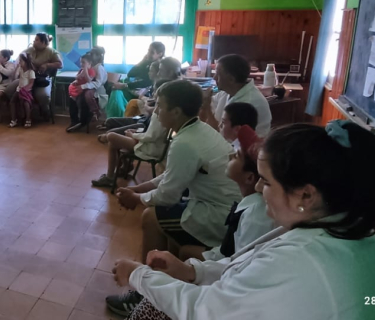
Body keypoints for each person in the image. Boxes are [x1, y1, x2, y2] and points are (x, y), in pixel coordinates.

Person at [111, 121, 375, 320]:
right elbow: (246, 267)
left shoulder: (303, 259)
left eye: (266, 182)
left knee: (155, 308)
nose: (257, 187)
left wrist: (138, 275)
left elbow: (205, 311)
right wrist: (191, 271)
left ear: (306, 195)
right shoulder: (349, 230)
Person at [106, 123, 276, 318]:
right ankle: (152, 289)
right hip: (218, 241)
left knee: (152, 218)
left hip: (216, 224)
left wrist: (136, 197)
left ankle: (143, 294)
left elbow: (237, 270)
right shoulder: (250, 203)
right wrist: (192, 269)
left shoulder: (257, 216)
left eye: (236, 155)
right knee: (180, 252)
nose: (229, 156)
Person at [113, 80, 240, 259]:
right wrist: (139, 189)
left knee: (151, 217)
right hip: (226, 208)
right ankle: (165, 268)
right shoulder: (198, 129)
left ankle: (148, 275)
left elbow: (167, 196)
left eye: (160, 106)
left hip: (221, 216)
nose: (156, 111)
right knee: (165, 215)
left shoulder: (184, 142)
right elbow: (173, 174)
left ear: (176, 112)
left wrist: (136, 198)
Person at [3, 33, 62, 120]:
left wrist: (47, 65)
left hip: (42, 80)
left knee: (43, 96)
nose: (34, 41)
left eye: (37, 40)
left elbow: (60, 64)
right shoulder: (30, 50)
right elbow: (21, 57)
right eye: (34, 39)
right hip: (26, 77)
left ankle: (45, 111)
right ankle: (21, 111)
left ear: (43, 42)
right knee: (8, 90)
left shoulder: (51, 52)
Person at [208, 54, 271, 136]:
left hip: (242, 143)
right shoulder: (227, 91)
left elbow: (221, 136)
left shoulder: (248, 103)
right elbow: (210, 102)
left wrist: (206, 108)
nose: (214, 78)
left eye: (218, 74)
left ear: (231, 79)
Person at [67, 47, 107, 132]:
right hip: (86, 88)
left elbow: (97, 84)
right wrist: (77, 82)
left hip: (97, 90)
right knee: (72, 98)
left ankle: (83, 121)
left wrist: (83, 86)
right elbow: (80, 77)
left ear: (98, 56)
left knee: (84, 98)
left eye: (92, 54)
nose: (90, 55)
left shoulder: (99, 68)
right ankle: (74, 121)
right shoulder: (88, 66)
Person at [9, 52, 36, 128]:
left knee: (26, 103)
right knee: (12, 101)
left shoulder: (31, 72)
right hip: (19, 89)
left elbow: (31, 83)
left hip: (27, 91)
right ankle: (14, 120)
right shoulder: (20, 69)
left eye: (21, 61)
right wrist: (16, 68)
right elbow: (15, 77)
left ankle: (28, 119)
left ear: (26, 62)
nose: (19, 62)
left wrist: (24, 89)